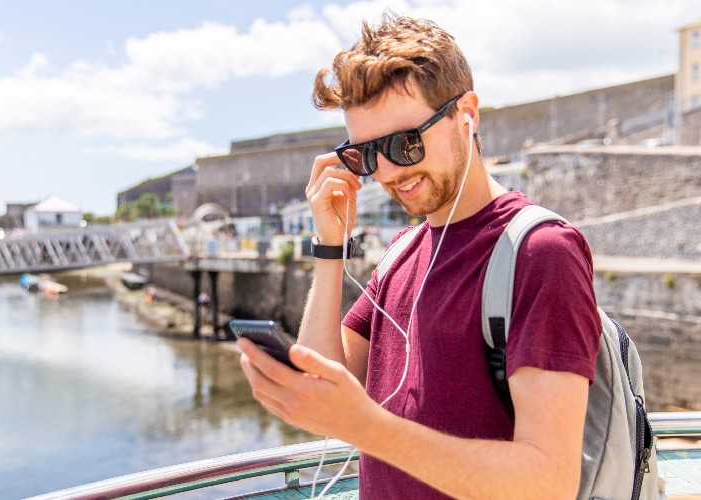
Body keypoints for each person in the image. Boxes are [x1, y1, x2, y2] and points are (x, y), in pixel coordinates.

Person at [237, 14, 601, 499]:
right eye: (365, 155)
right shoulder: (402, 251)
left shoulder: (541, 252)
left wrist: (367, 428)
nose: (386, 173)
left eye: (404, 144)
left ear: (466, 114)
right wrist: (330, 247)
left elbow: (548, 481)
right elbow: (326, 384)